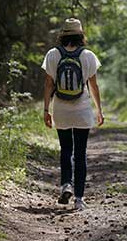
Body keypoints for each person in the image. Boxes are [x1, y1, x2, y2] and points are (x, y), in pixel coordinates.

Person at [42, 18, 104, 210]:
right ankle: (79, 199)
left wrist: (46, 110)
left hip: (61, 109)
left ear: (63, 34)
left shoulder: (53, 54)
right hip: (82, 110)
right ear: (81, 35)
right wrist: (99, 110)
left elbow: (49, 85)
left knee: (66, 150)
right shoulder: (88, 56)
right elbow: (93, 85)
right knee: (80, 153)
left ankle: (65, 184)